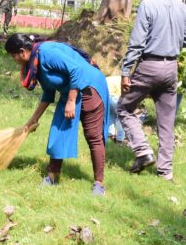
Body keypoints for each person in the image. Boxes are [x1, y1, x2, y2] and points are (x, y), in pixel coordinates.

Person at [6, 34, 110, 196]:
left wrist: (71, 101)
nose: (14, 60)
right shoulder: (35, 63)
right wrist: (34, 119)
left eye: (13, 56)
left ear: (22, 52)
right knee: (58, 132)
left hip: (89, 87)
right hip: (70, 90)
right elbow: (48, 92)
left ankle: (99, 184)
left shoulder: (47, 52)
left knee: (93, 135)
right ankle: (52, 177)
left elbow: (77, 70)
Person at [118, 0, 186, 181]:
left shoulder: (147, 5)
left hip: (149, 66)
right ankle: (165, 172)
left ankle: (142, 152)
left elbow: (137, 42)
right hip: (171, 68)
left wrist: (126, 71)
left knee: (124, 107)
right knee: (166, 121)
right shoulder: (182, 8)